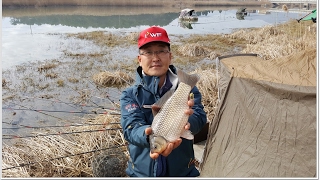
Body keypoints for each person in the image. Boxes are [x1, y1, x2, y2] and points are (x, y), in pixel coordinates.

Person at [120, 26, 207, 177]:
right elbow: (131, 128)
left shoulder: (185, 88)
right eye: (148, 52)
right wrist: (148, 136)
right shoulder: (130, 95)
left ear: (170, 56)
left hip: (183, 172)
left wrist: (188, 121)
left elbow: (200, 118)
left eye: (161, 50)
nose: (155, 58)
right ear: (140, 59)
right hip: (141, 174)